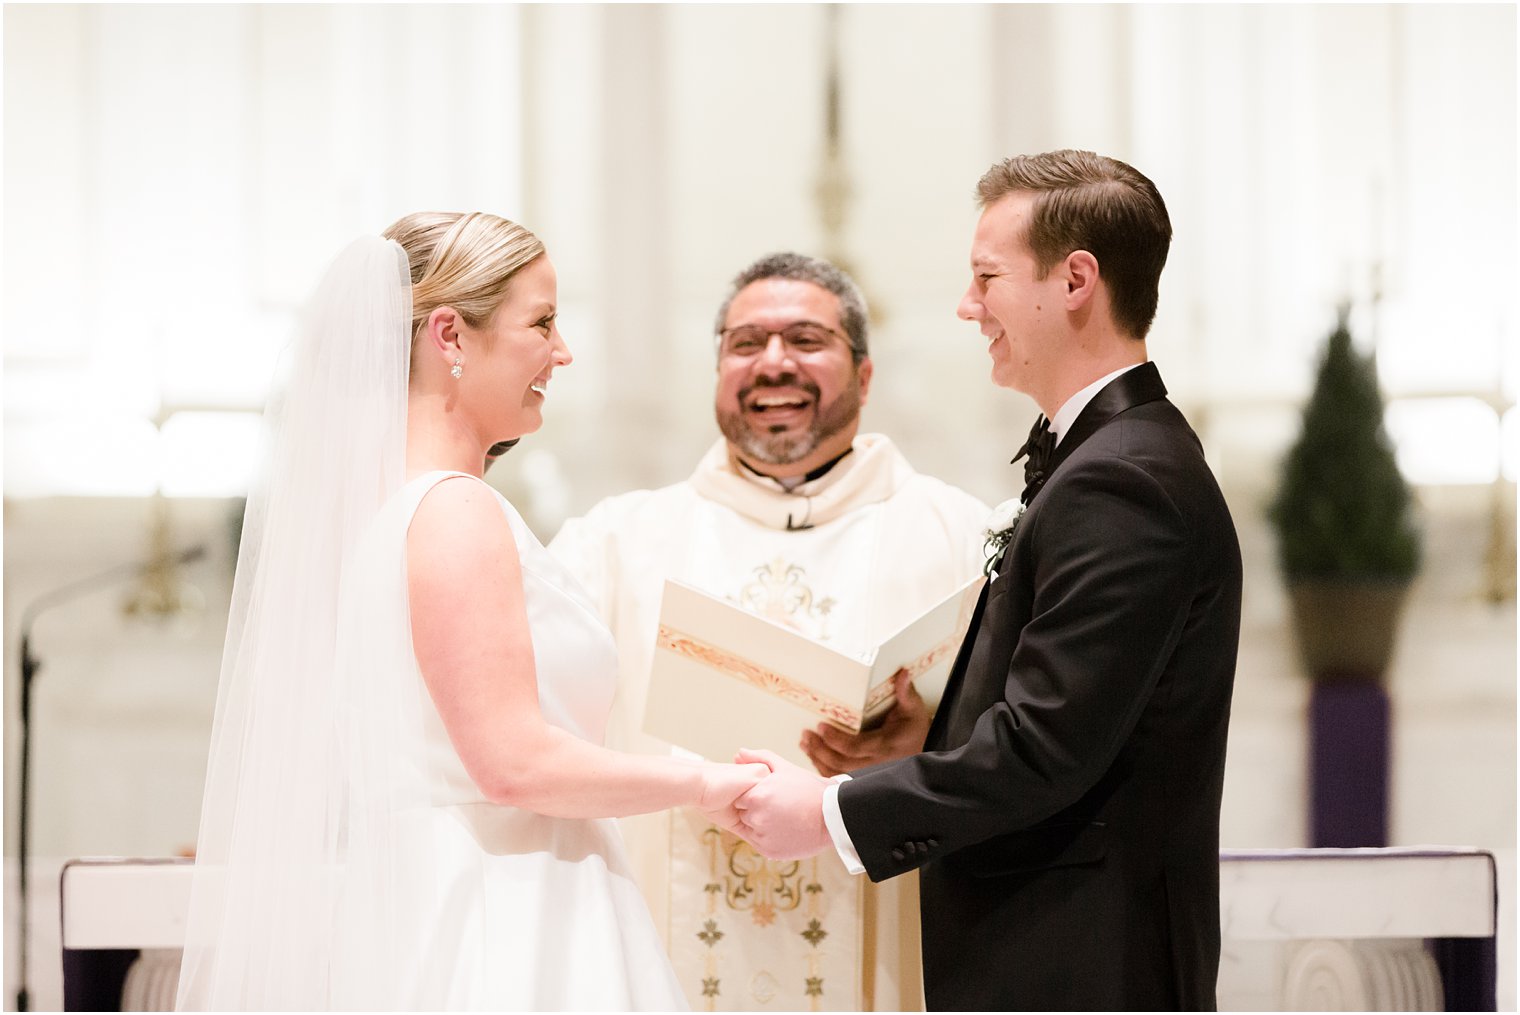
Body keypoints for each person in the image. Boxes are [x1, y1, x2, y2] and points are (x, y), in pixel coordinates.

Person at [175, 212, 766, 1010]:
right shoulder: (454, 512)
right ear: (450, 335)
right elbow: (512, 762)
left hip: (453, 892)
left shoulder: (387, 512)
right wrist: (703, 781)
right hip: (508, 914)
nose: (562, 352)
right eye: (543, 323)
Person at [731, 151, 1244, 1011]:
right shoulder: (1107, 459)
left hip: (1084, 962)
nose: (969, 307)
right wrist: (928, 732)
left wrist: (829, 811)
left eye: (986, 278)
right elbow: (1074, 711)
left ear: (1076, 279)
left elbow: (1045, 748)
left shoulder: (1127, 482)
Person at [548, 252, 990, 1011]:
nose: (773, 363)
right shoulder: (619, 542)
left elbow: (1028, 742)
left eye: (806, 340)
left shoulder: (960, 536)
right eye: (746, 343)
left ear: (865, 371)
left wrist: (932, 734)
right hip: (669, 942)